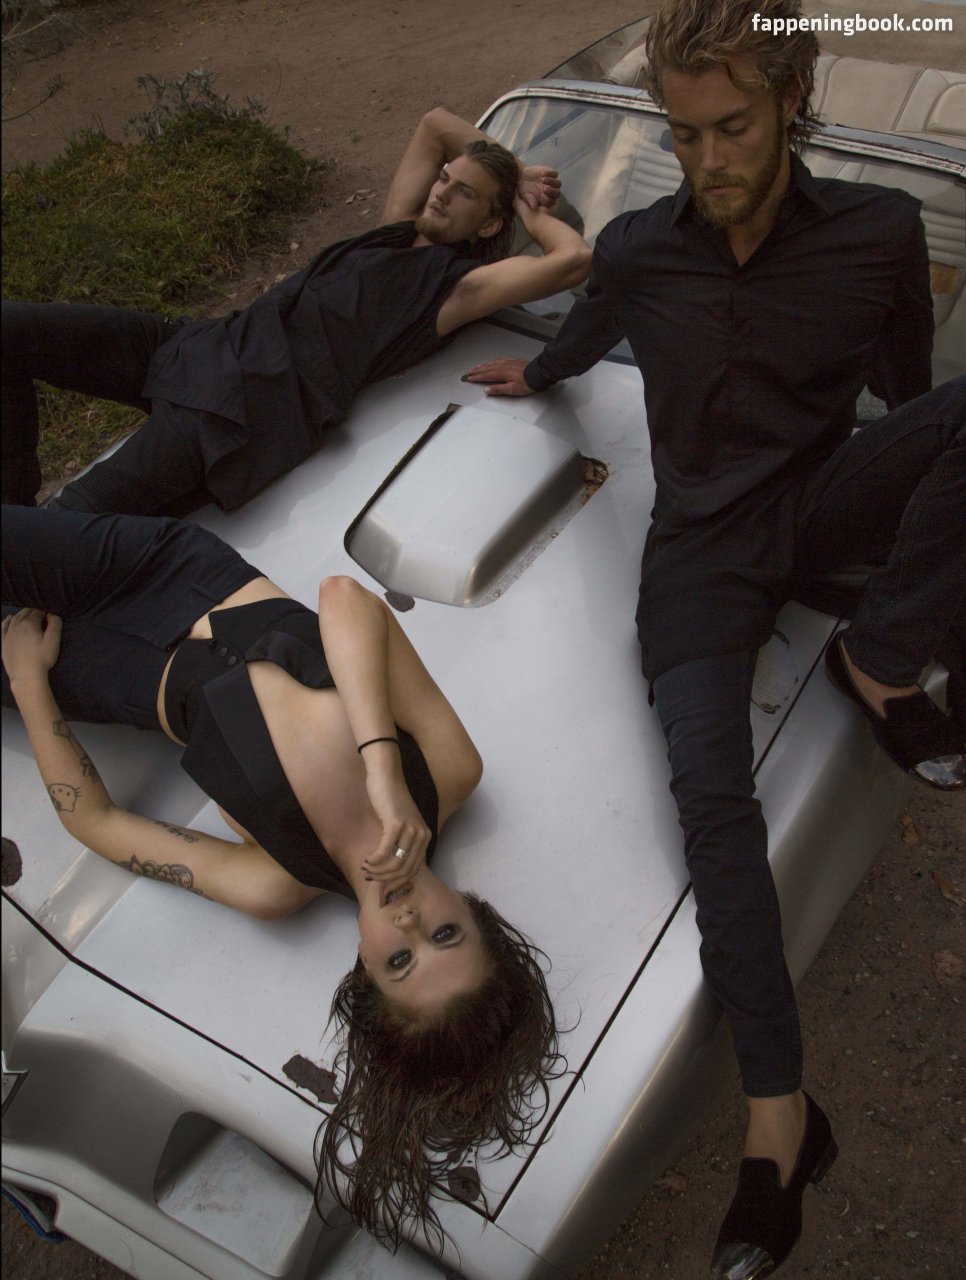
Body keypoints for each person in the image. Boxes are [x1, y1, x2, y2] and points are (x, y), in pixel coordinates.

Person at [464, 0, 965, 1275]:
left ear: (792, 101)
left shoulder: (879, 232)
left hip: (821, 500)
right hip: (698, 554)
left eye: (733, 127)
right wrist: (541, 371)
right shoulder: (641, 248)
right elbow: (589, 325)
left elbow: (911, 394)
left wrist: (920, 538)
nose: (709, 160)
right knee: (710, 803)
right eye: (684, 135)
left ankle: (881, 656)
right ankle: (781, 1119)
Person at [1, 504, 563, 1251]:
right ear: (472, 908)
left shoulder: (276, 882)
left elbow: (101, 824)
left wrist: (29, 683)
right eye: (445, 934)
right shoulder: (448, 772)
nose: (408, 923)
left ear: (364, 971)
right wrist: (383, 766)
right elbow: (343, 599)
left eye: (400, 961)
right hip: (173, 573)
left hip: (121, 680)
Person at [2, 106, 591, 512]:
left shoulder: (452, 288)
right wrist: (516, 167)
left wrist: (523, 203)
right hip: (202, 344)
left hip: (235, 410)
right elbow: (435, 124)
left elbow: (572, 259)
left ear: (488, 223)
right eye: (445, 179)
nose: (440, 192)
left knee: (66, 518)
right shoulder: (396, 228)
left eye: (464, 193)